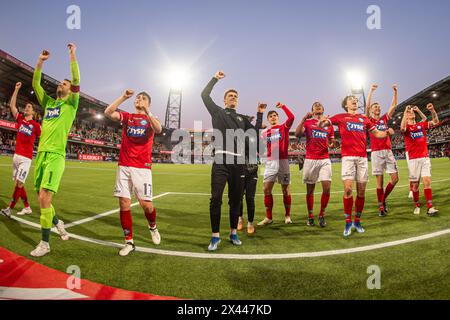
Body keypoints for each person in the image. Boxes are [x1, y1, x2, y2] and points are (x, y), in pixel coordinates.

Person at [201, 71, 263, 251]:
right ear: (224, 100)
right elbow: (204, 95)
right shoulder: (217, 112)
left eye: (235, 96)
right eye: (230, 96)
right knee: (216, 199)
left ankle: (233, 233)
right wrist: (215, 79)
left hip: (239, 163)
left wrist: (259, 114)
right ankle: (215, 237)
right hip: (221, 160)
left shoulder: (243, 119)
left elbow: (255, 132)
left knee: (236, 200)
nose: (233, 98)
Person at [30, 44, 79, 257]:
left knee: (43, 199)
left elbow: (77, 80)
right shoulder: (49, 103)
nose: (61, 84)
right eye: (60, 82)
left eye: (65, 83)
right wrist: (40, 62)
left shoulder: (72, 104)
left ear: (70, 90)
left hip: (56, 156)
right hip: (40, 155)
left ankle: (45, 243)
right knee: (41, 198)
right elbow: (35, 83)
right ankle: (58, 223)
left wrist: (71, 54)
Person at [319, 95, 392, 237]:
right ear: (346, 104)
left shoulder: (363, 119)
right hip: (348, 158)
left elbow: (377, 133)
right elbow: (324, 124)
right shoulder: (340, 117)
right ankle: (347, 222)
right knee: (347, 190)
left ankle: (357, 221)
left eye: (355, 99)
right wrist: (322, 123)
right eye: (351, 99)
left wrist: (386, 132)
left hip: (362, 158)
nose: (354, 101)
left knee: (361, 191)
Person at [105, 89, 162, 256]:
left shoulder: (151, 119)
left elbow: (158, 129)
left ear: (148, 103)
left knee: (147, 206)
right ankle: (129, 242)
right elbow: (108, 112)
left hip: (142, 168)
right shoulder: (128, 117)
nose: (139, 99)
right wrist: (124, 97)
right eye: (138, 98)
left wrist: (147, 111)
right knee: (124, 203)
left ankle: (152, 227)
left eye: (143, 98)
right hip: (124, 165)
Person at [1, 82, 41, 218]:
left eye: (29, 107)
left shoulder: (36, 125)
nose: (26, 108)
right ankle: (27, 207)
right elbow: (12, 105)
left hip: (26, 159)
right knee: (19, 184)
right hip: (16, 157)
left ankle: (9, 209)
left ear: (33, 112)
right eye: (26, 107)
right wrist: (16, 89)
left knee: (19, 183)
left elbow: (45, 136)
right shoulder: (20, 119)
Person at [295, 102, 335, 228]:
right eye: (315, 106)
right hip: (311, 159)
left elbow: (332, 141)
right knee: (310, 191)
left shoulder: (328, 124)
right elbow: (297, 134)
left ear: (323, 109)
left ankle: (322, 214)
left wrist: (331, 144)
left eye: (320, 106)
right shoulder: (307, 123)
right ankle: (310, 216)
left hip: (324, 159)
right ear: (312, 110)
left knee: (327, 188)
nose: (318, 106)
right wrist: (303, 119)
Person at [258, 102, 295, 226]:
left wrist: (283, 106)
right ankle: (269, 217)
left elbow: (291, 117)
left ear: (277, 117)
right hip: (270, 162)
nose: (273, 117)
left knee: (285, 190)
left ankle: (287, 215)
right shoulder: (265, 133)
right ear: (268, 119)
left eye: (275, 115)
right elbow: (259, 146)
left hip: (283, 161)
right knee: (266, 189)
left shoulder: (284, 127)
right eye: (271, 116)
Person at [365, 84, 399, 217]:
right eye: (375, 107)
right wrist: (371, 91)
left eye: (378, 106)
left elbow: (394, 106)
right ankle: (381, 207)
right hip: (376, 153)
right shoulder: (369, 120)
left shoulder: (385, 118)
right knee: (380, 182)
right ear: (372, 110)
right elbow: (367, 107)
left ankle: (383, 199)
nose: (377, 108)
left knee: (395, 179)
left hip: (388, 151)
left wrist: (395, 92)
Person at [400, 104, 439, 216]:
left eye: (412, 111)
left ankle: (430, 207)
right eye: (409, 112)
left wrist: (432, 110)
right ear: (406, 117)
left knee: (427, 181)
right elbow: (402, 128)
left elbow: (435, 121)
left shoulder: (421, 125)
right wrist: (404, 113)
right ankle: (417, 205)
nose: (411, 112)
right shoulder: (407, 128)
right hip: (413, 160)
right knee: (415, 185)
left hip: (424, 157)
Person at [238, 103, 265, 235]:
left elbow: (258, 128)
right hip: (239, 169)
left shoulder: (253, 134)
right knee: (238, 197)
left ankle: (250, 223)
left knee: (250, 197)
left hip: (252, 169)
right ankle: (239, 219)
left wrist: (260, 114)